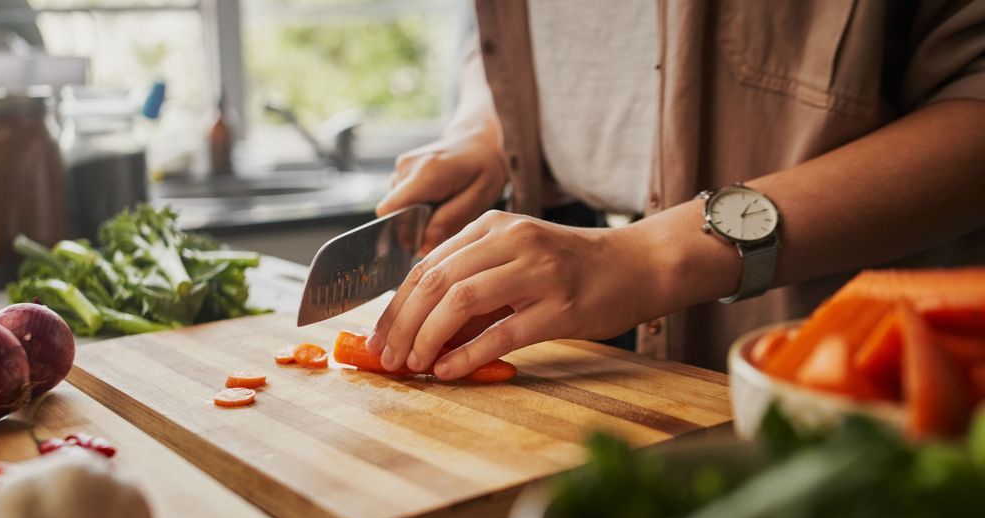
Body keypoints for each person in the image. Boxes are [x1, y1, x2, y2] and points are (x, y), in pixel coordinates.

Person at [365, 0, 985, 379]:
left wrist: (655, 254)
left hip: (818, 325)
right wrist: (485, 127)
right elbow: (518, 36)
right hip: (560, 287)